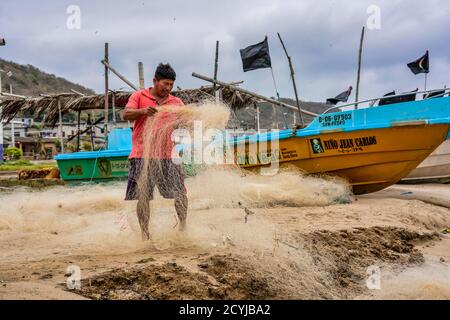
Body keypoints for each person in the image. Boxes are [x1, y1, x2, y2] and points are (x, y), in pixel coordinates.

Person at [123, 63, 187, 240]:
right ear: (155, 81)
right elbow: (126, 114)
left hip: (168, 155)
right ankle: (145, 234)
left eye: (171, 85)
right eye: (165, 84)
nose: (168, 88)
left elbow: (185, 122)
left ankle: (183, 228)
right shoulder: (139, 96)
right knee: (143, 196)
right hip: (142, 155)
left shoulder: (176, 103)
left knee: (180, 193)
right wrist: (143, 111)